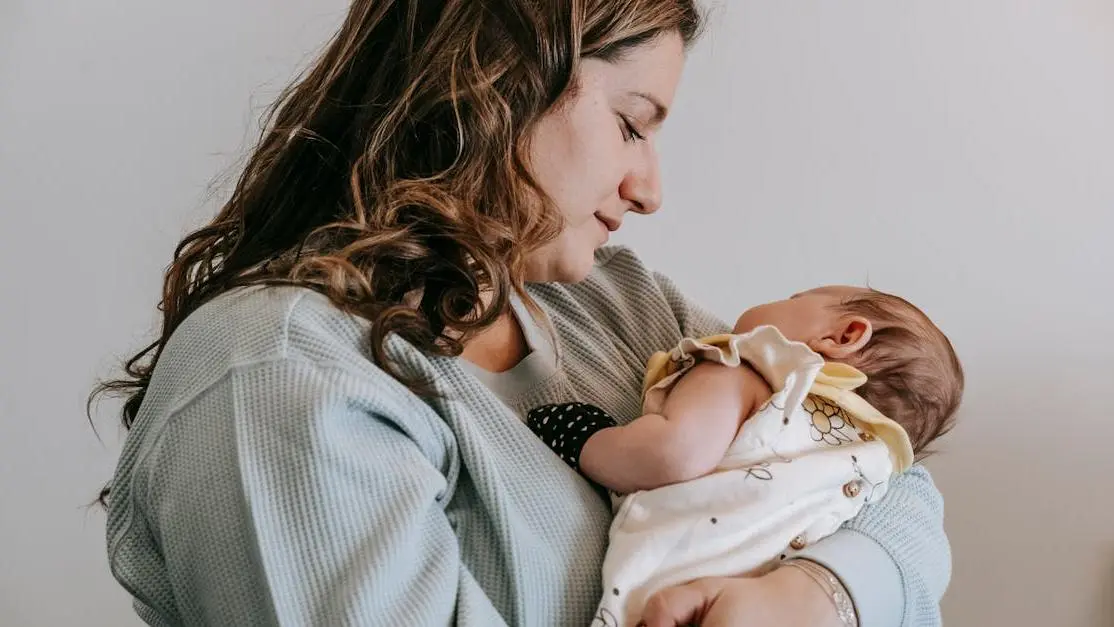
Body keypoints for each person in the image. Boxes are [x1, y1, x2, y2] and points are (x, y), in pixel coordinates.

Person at [94, 2, 952, 625]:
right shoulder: (284, 375)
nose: (650, 189)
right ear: (497, 79)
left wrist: (808, 598)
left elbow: (886, 474)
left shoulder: (617, 301)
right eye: (631, 125)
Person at [525, 286, 963, 626]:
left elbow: (674, 453)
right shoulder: (870, 457)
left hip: (671, 597)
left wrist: (586, 437)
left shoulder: (747, 366)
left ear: (843, 335)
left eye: (795, 297)